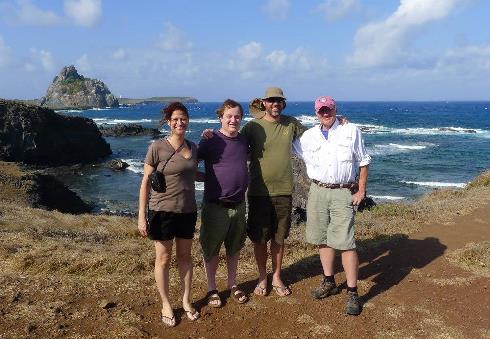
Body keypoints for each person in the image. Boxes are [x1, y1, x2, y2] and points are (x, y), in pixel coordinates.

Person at [293, 96, 371, 315]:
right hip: (317, 190)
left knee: (346, 242)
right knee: (322, 239)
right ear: (316, 113)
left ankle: (353, 292)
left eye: (329, 109)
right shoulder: (308, 136)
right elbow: (282, 138)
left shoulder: (351, 130)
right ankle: (329, 281)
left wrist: (361, 190)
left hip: (342, 191)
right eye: (321, 110)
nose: (325, 113)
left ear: (335, 110)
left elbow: (363, 161)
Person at [137, 102, 200, 327]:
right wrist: (141, 216)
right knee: (163, 259)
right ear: (168, 122)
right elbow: (145, 181)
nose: (179, 122)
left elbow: (192, 173)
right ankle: (165, 303)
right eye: (175, 119)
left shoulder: (194, 147)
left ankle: (186, 300)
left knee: (185, 258)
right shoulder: (157, 147)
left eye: (183, 118)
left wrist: (221, 177)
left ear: (188, 121)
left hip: (188, 211)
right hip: (161, 211)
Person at [240, 87, 306, 297]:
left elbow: (316, 138)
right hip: (258, 192)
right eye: (271, 101)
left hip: (284, 191)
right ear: (264, 103)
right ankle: (262, 277)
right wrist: (210, 136)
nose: (275, 104)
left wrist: (339, 126)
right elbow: (233, 144)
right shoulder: (252, 127)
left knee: (279, 238)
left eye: (279, 101)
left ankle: (276, 276)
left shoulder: (291, 123)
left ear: (283, 103)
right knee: (260, 239)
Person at [197, 99, 249, 307]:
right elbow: (189, 162)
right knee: (211, 249)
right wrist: (207, 178)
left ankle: (232, 284)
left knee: (234, 248)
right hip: (215, 205)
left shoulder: (244, 140)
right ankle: (211, 288)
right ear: (221, 118)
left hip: (239, 204)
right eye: (229, 116)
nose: (233, 120)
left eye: (237, 116)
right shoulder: (210, 140)